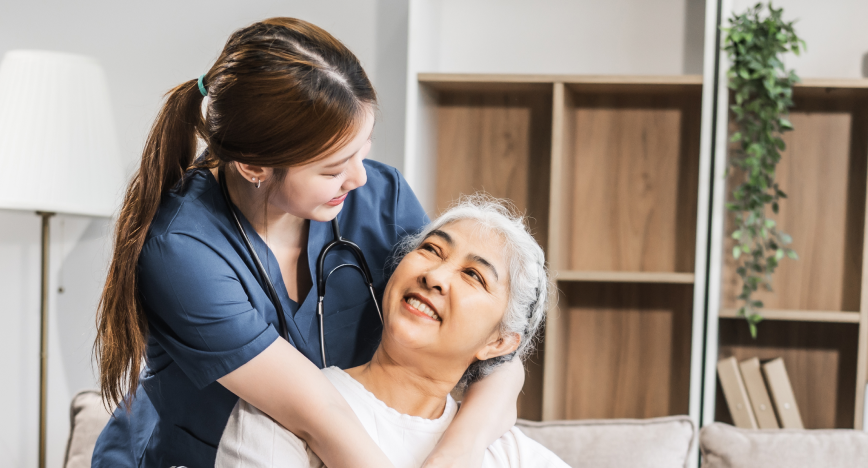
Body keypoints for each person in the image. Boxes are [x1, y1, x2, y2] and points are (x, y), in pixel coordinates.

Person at [91, 17, 524, 468]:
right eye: (333, 167)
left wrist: (456, 453)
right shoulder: (182, 247)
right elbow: (319, 416)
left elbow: (492, 347)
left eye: (364, 148)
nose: (359, 177)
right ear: (254, 166)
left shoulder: (378, 198)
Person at [216, 197, 568, 468]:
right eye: (431, 250)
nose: (435, 276)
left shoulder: (513, 455)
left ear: (498, 342)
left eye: (473, 275)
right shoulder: (283, 410)